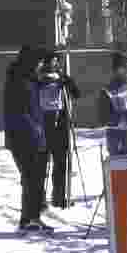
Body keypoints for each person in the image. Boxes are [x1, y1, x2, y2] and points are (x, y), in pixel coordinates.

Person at [4, 46, 52, 233]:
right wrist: (36, 130)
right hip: (23, 137)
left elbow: (38, 84)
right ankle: (29, 219)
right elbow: (19, 112)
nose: (41, 65)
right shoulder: (19, 81)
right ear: (30, 61)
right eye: (39, 62)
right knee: (31, 178)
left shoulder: (26, 78)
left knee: (34, 179)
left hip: (31, 136)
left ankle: (31, 218)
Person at [34, 51, 81, 209]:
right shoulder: (37, 79)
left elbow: (77, 94)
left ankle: (59, 196)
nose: (53, 66)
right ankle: (38, 199)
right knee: (41, 164)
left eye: (56, 62)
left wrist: (69, 82)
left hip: (60, 122)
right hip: (44, 123)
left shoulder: (62, 78)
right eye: (50, 63)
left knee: (61, 162)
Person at [98, 52, 127, 156]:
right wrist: (120, 118)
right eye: (125, 67)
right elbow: (103, 116)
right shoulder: (107, 90)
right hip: (116, 134)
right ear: (117, 70)